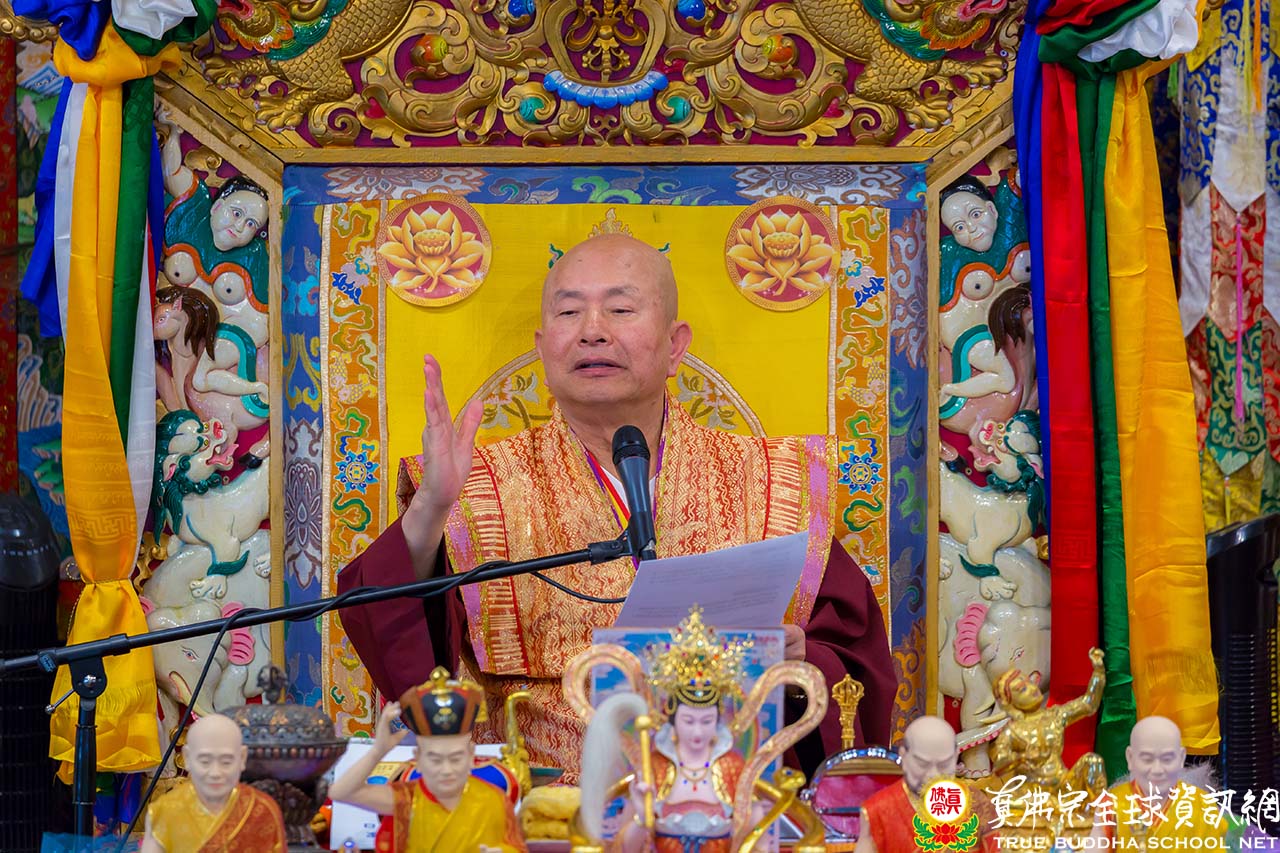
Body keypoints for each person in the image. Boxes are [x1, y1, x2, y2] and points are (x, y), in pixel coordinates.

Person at [338, 233, 896, 780]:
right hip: (537, 811)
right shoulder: (478, 486)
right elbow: (404, 657)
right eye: (569, 312)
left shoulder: (775, 479)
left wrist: (799, 662)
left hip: (724, 807)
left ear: (675, 345)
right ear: (542, 347)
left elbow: (855, 667)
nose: (593, 331)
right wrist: (432, 507)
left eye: (621, 309)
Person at [329, 667, 527, 852]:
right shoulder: (408, 800)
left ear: (470, 757)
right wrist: (377, 751)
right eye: (435, 760)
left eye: (456, 759)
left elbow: (514, 847)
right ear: (419, 760)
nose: (446, 770)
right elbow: (340, 792)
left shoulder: (493, 800)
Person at [141, 714, 286, 852]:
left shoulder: (262, 810)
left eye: (226, 762)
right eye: (205, 761)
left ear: (242, 758)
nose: (215, 773)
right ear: (187, 758)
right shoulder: (164, 812)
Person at [856, 716, 1000, 853]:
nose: (933, 774)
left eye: (943, 764)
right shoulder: (878, 811)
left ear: (955, 756)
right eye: (922, 764)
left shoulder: (979, 806)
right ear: (904, 756)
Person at [1089, 716, 1227, 847]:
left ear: (1181, 758)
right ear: (1130, 758)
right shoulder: (1111, 806)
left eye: (1167, 759)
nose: (1157, 769)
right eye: (1147, 759)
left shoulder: (1202, 805)